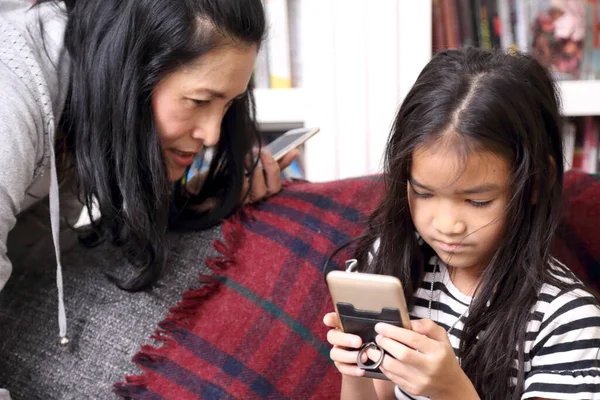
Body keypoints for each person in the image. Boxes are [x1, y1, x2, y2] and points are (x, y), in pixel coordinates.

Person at [0, 1, 296, 397]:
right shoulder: (11, 95)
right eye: (199, 101)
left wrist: (195, 195)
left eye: (227, 104)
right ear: (130, 69)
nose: (211, 134)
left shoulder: (87, 82)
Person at [323, 47, 600, 400]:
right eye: (423, 193)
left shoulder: (564, 321)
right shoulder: (393, 265)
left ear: (536, 183)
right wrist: (357, 367)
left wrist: (451, 391)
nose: (447, 225)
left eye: (477, 201)